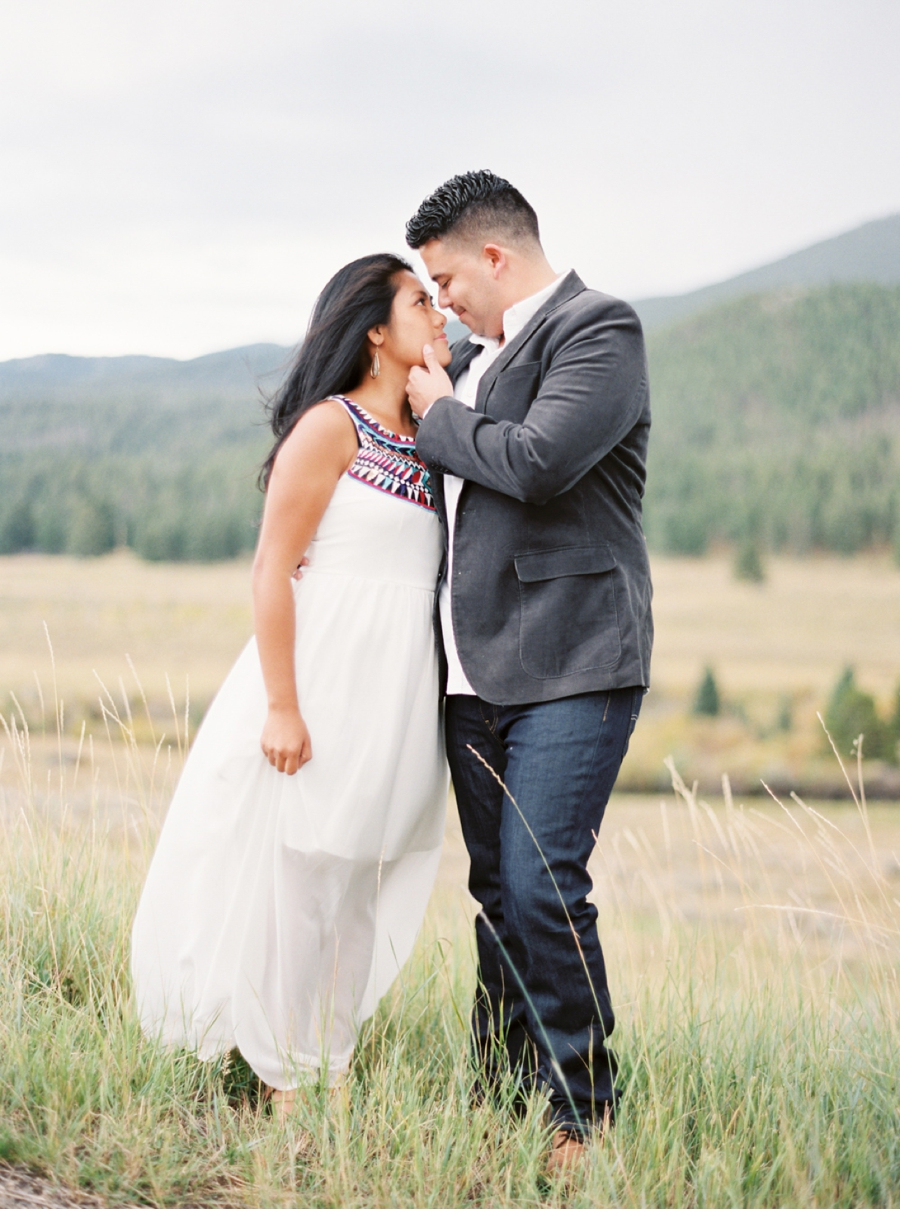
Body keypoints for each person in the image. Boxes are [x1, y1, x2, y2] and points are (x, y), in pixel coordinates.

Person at [131, 253, 451, 1115]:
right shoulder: (330, 426)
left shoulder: (435, 432)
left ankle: (325, 1060)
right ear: (376, 332)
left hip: (400, 688)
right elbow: (273, 569)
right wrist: (281, 704)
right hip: (323, 676)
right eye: (422, 302)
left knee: (359, 874)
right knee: (303, 873)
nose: (441, 314)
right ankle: (286, 1082)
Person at [404, 171, 653, 1170]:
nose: (443, 300)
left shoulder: (600, 330)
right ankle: (499, 1096)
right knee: (499, 896)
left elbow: (543, 460)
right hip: (473, 675)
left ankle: (582, 1117)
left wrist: (435, 411)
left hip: (574, 661)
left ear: (496, 257)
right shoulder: (462, 361)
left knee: (545, 885)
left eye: (447, 277)